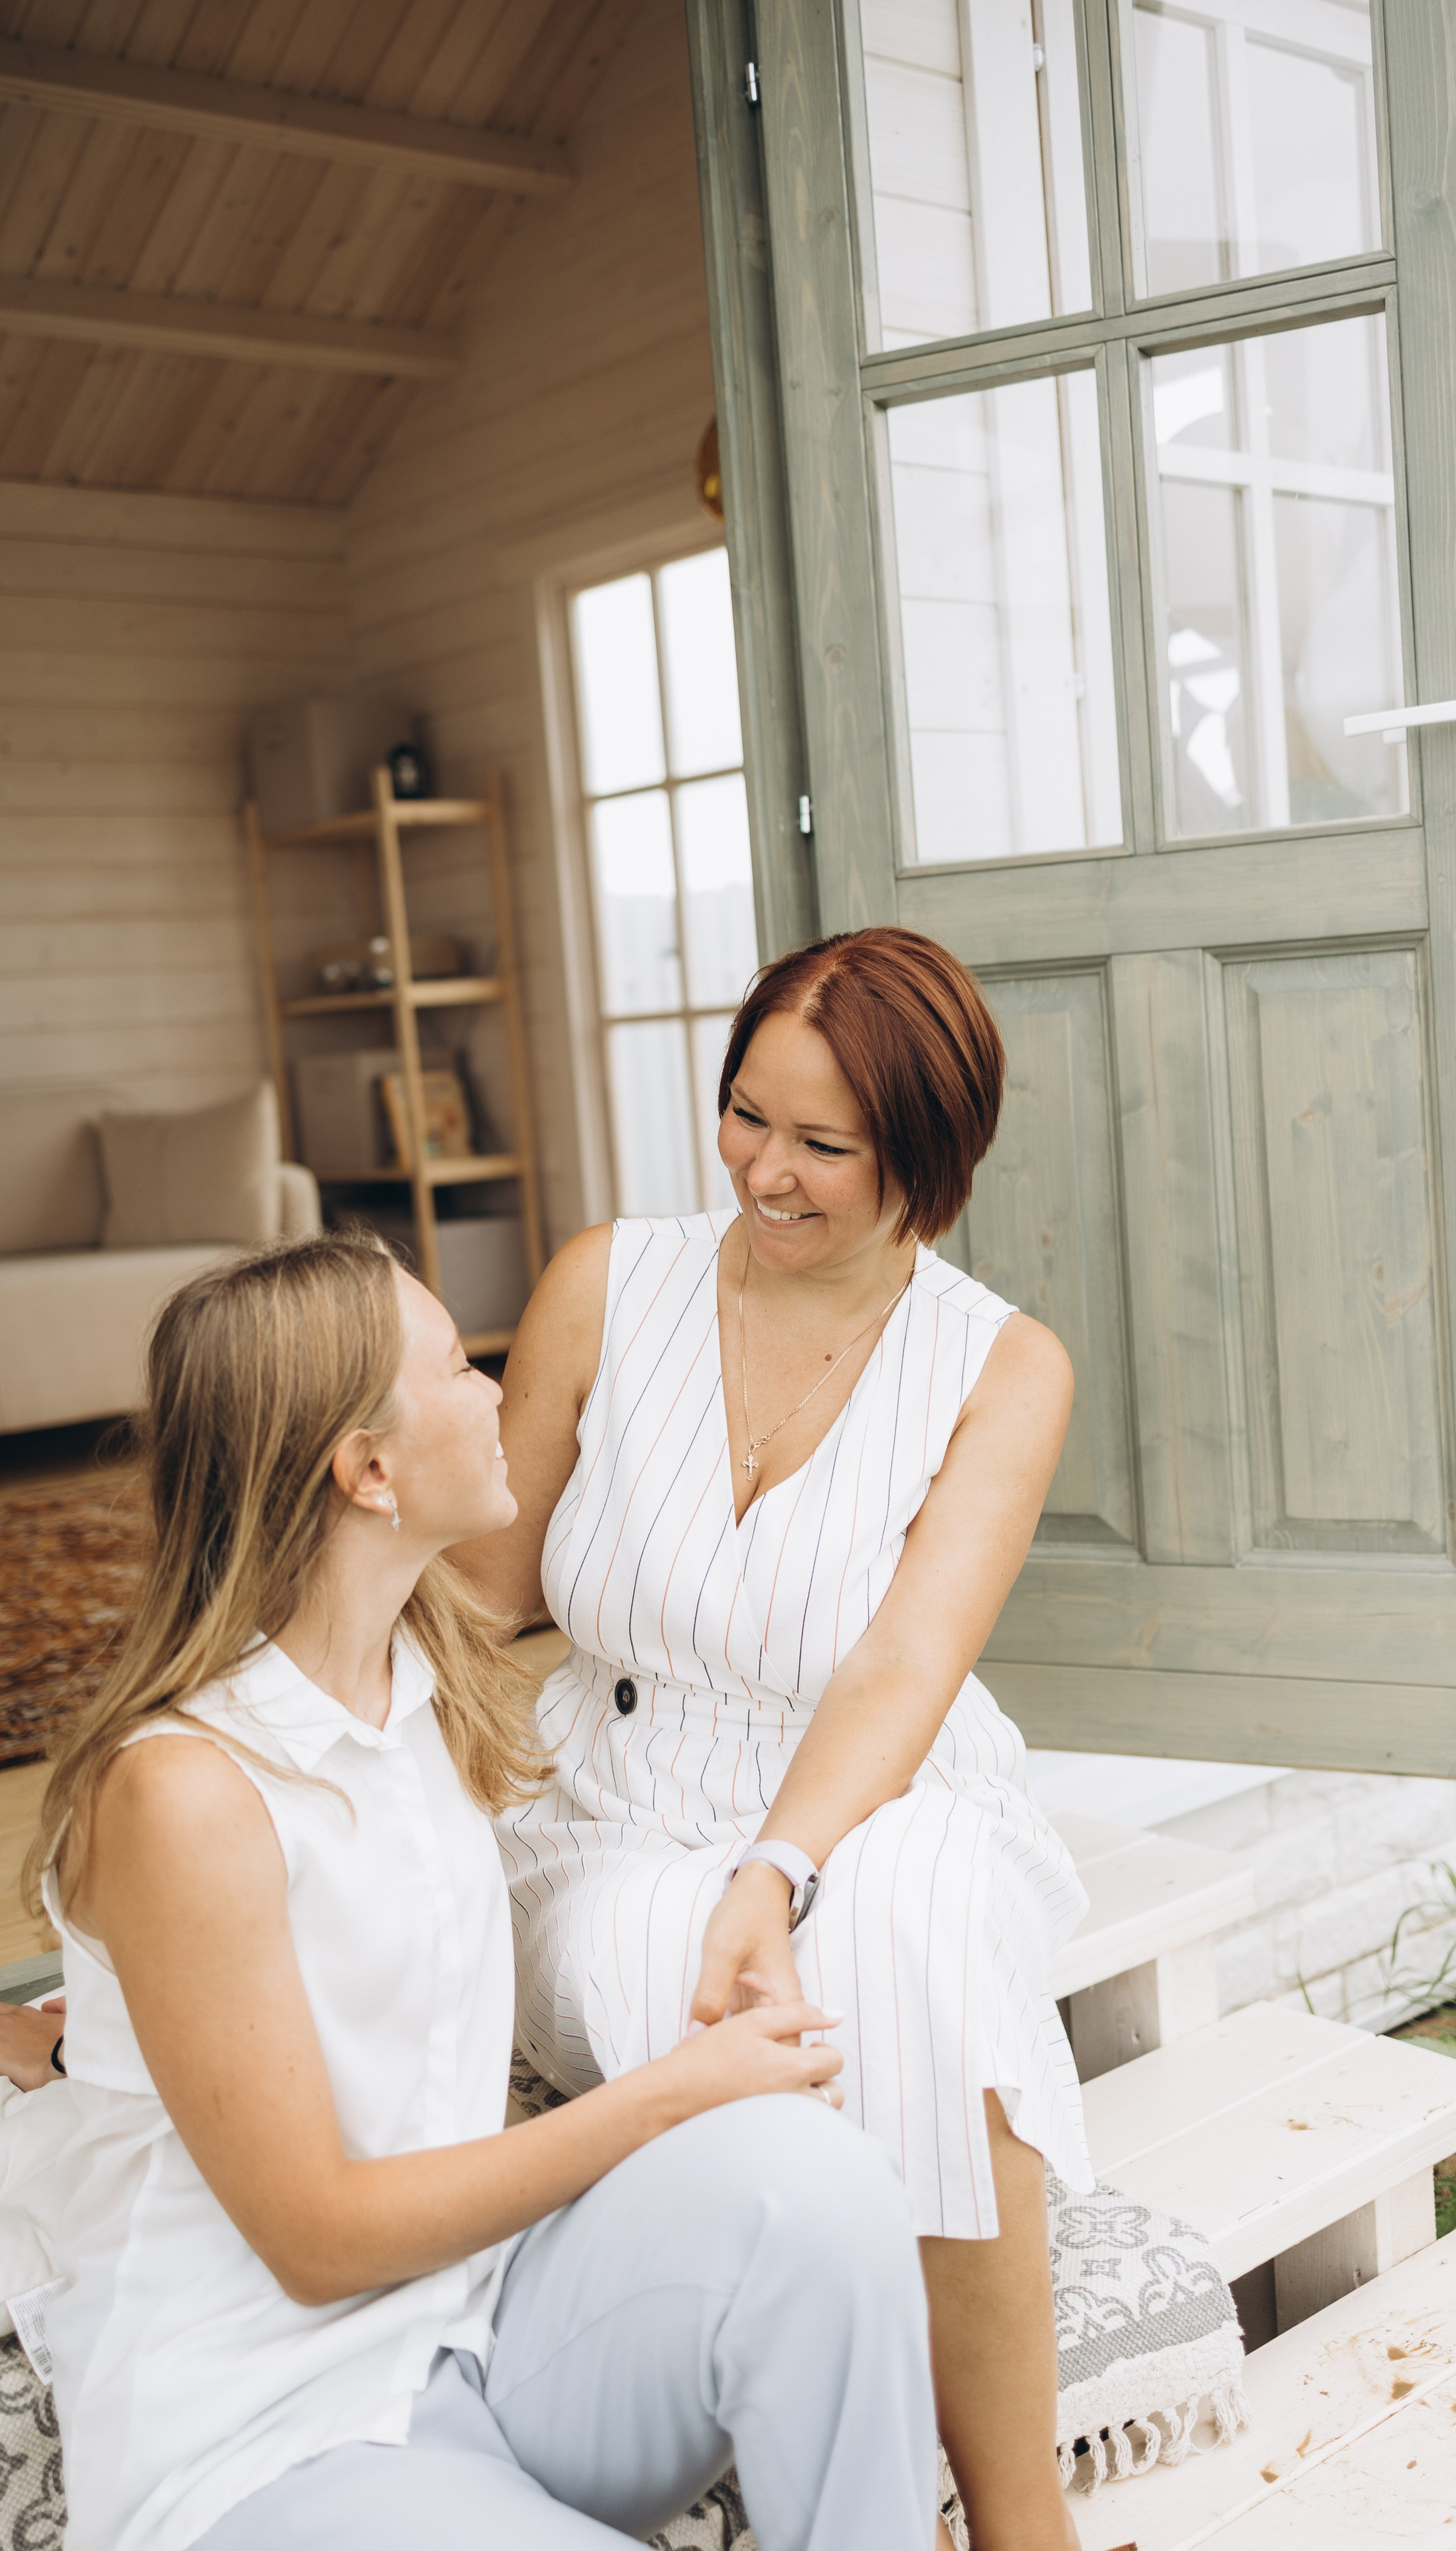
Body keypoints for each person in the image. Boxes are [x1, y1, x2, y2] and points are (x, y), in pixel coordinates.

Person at [23, 1234, 937, 2551]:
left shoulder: (419, 1683)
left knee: (818, 2189)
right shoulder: (184, 1792)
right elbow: (317, 2242)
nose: (500, 1386)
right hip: (260, 2436)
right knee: (731, 2123)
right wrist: (672, 2090)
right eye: (459, 1365)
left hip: (480, 2332)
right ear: (368, 1469)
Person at [460, 925, 1089, 2551]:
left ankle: (1023, 2531)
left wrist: (781, 1864)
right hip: (610, 1802)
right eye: (746, 1115)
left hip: (884, 1790)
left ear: (931, 1161)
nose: (766, 1173)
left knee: (922, 1945)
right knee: (731, 2012)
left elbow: (903, 1663)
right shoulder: (606, 1282)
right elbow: (476, 1586)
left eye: (823, 1145)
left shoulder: (1002, 1367)